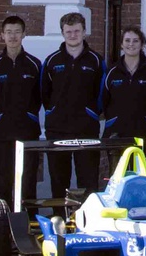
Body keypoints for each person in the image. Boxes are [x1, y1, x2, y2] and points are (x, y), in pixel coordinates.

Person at [42, 12, 105, 197]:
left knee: (88, 180)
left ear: (84, 32)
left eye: (77, 31)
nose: (73, 35)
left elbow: (102, 92)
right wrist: (53, 111)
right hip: (57, 129)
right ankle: (59, 220)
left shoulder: (96, 60)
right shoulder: (52, 61)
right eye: (68, 31)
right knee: (59, 180)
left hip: (86, 128)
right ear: (63, 33)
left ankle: (89, 222)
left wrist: (92, 113)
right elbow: (44, 92)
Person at [0, 16, 42, 205]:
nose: (13, 36)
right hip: (1, 132)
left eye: (17, 32)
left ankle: (29, 223)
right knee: (3, 180)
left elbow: (41, 95)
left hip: (27, 131)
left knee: (28, 180)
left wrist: (29, 115)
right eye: (9, 32)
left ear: (24, 34)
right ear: (2, 35)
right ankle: (2, 225)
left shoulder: (34, 64)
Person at [102, 27, 146, 150]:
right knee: (118, 170)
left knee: (141, 169)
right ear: (122, 44)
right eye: (127, 40)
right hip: (116, 132)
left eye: (136, 41)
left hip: (144, 132)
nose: (131, 44)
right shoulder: (111, 72)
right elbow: (103, 101)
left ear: (142, 44)